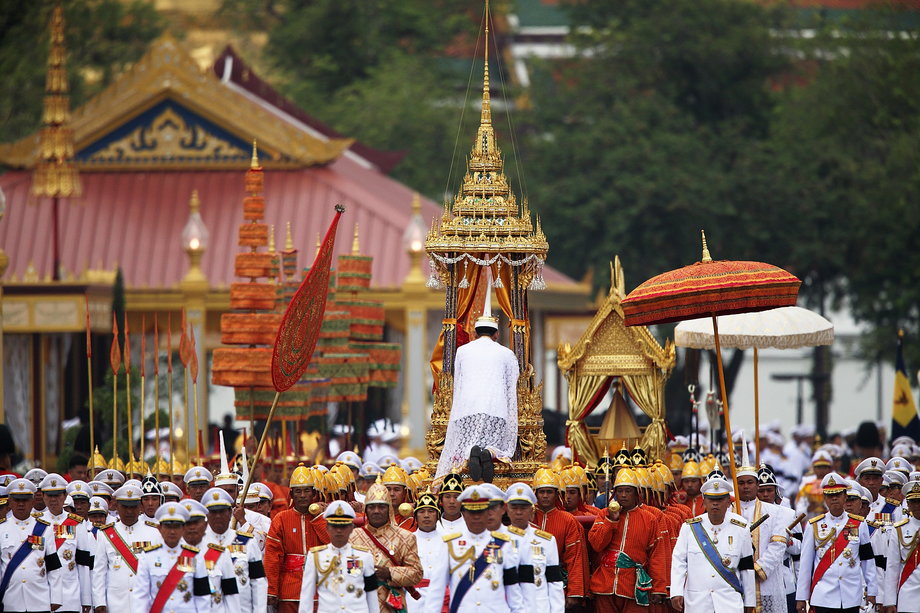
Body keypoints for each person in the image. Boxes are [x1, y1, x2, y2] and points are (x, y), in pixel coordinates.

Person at [436, 281, 519, 481]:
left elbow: (459, 383)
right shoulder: (507, 354)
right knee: (500, 446)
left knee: (463, 447)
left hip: (467, 410)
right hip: (495, 410)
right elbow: (511, 386)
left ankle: (471, 453)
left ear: (474, 333)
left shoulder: (462, 351)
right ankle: (488, 454)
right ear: (496, 334)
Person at [588, 466, 669, 612]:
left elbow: (657, 555)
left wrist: (658, 588)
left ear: (636, 493)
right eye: (620, 491)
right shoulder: (603, 514)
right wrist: (611, 521)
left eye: (628, 490)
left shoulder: (649, 519)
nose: (623, 495)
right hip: (604, 584)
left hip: (634, 585)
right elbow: (596, 544)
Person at [670, 476, 756, 612]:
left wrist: (750, 601)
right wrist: (676, 592)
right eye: (711, 500)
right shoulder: (689, 527)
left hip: (729, 603)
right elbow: (679, 562)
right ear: (704, 502)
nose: (715, 504)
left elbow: (746, 567)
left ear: (729, 502)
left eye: (720, 500)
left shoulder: (741, 528)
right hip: (697, 603)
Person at [795, 472, 877, 612]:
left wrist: (873, 591)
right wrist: (801, 597)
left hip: (851, 595)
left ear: (845, 496)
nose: (834, 499)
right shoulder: (813, 525)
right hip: (823, 596)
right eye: (830, 495)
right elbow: (806, 564)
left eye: (838, 494)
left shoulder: (859, 524)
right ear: (824, 498)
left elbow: (867, 560)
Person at [442, 484, 524, 613]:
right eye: (472, 512)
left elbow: (513, 592)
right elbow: (437, 591)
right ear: (463, 513)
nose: (476, 517)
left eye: (480, 511)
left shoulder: (504, 544)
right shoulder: (450, 543)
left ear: (487, 512)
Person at [348, 482, 423, 612]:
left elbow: (416, 573)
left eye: (381, 507)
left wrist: (390, 573)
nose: (376, 511)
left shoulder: (405, 537)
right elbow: (345, 571)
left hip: (391, 606)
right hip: (360, 604)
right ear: (365, 509)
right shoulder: (353, 536)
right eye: (372, 507)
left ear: (389, 509)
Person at [264, 464, 328, 613]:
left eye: (307, 491)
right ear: (291, 494)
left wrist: (318, 517)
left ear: (314, 493)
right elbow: (272, 557)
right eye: (298, 491)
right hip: (289, 590)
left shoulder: (324, 518)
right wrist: (272, 589)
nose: (303, 495)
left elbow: (332, 544)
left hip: (320, 588)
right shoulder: (281, 518)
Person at [92, 483, 163, 613]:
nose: (129, 511)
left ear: (140, 507)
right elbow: (99, 571)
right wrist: (99, 602)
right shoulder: (105, 533)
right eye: (125, 507)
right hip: (116, 602)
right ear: (117, 507)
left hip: (145, 601)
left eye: (133, 507)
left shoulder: (154, 532)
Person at [298, 500, 379, 613]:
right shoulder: (315, 556)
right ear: (327, 527)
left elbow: (371, 594)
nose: (339, 530)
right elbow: (307, 594)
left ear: (351, 528)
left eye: (344, 526)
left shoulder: (364, 556)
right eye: (334, 526)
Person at [131, 503, 210, 613]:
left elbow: (202, 597)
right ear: (159, 528)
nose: (172, 531)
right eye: (168, 526)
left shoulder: (195, 556)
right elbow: (141, 595)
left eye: (176, 526)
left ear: (183, 528)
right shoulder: (148, 556)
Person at [0, 478, 64, 611]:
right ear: (10, 502)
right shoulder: (1, 529)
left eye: (25, 500)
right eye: (17, 500)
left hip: (39, 599)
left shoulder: (45, 529)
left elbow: (53, 567)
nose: (21, 504)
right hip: (10, 600)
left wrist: (56, 597)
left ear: (33, 502)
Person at [735, 453, 788, 613]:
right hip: (736, 581)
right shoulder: (729, 510)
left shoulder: (775, 511)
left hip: (766, 581)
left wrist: (757, 569)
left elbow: (778, 545)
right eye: (741, 483)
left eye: (750, 482)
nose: (746, 486)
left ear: (757, 484)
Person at [531, 466, 589, 608]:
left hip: (557, 585)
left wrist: (574, 592)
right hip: (529, 584)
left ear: (557, 494)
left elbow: (574, 558)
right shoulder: (528, 516)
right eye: (542, 492)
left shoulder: (568, 520)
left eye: (549, 492)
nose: (545, 496)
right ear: (535, 494)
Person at [203, 487, 267, 613]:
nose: (218, 516)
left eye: (222, 512)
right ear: (207, 515)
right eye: (213, 512)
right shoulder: (199, 544)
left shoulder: (248, 542)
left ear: (230, 513)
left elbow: (258, 582)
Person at [506, 482, 565, 612]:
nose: (519, 512)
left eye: (524, 508)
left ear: (532, 510)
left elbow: (554, 582)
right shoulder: (497, 540)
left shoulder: (546, 541)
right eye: (514, 507)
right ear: (507, 510)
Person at [39, 473, 93, 613]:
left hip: (69, 595)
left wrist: (86, 598)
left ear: (64, 496)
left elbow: (83, 563)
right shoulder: (36, 523)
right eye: (49, 496)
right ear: (43, 497)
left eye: (57, 495)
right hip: (41, 594)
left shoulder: (77, 523)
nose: (53, 500)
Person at [406, 489, 448, 613]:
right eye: (421, 511)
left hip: (442, 597)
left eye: (431, 511)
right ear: (415, 516)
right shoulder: (407, 540)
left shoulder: (448, 540)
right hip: (414, 599)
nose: (426, 515)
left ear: (438, 515)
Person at [883, 480, 920, 612]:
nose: (917, 505)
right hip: (908, 593)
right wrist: (890, 601)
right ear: (908, 504)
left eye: (919, 501)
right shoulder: (899, 529)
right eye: (913, 502)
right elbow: (892, 565)